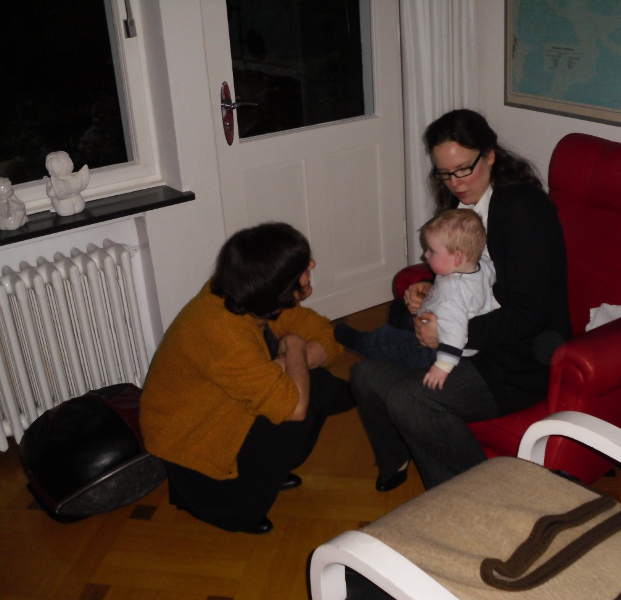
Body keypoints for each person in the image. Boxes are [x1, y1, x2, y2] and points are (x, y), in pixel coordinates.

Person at [350, 109, 572, 492]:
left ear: (490, 155)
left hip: (520, 356)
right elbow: (465, 274)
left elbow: (528, 315)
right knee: (364, 375)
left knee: (412, 400)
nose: (455, 183)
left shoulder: (524, 210)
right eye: (445, 174)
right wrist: (428, 288)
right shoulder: (463, 207)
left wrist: (453, 335)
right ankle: (397, 459)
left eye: (464, 169)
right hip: (470, 339)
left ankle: (481, 499)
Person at [139, 222, 352, 534]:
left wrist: (290, 362)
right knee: (305, 394)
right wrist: (294, 346)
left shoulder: (250, 295)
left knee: (312, 383)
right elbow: (294, 407)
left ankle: (354, 395)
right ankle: (225, 507)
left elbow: (327, 335)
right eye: (303, 266)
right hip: (196, 449)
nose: (313, 265)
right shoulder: (222, 329)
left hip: (219, 414)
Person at [335, 209, 495, 391]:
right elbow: (492, 268)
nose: (425, 255)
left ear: (457, 258)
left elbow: (455, 332)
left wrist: (442, 367)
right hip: (434, 326)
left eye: (432, 251)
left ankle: (356, 340)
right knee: (398, 312)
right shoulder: (481, 268)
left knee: (385, 341)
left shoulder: (452, 294)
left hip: (431, 350)